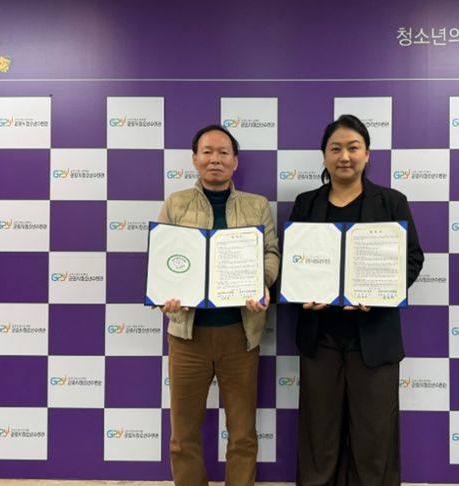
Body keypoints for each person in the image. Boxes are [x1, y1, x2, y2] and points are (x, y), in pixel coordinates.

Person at [289, 114, 424, 486]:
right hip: (320, 335)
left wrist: (382, 295)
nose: (344, 156)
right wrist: (301, 296)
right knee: (319, 433)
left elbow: (413, 258)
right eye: (336, 149)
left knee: (374, 434)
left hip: (374, 335)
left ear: (367, 154)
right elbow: (292, 262)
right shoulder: (306, 204)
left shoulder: (392, 202)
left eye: (353, 147)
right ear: (324, 155)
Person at [158, 124, 280, 486]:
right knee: (182, 436)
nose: (215, 159)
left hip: (240, 336)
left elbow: (271, 253)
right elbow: (163, 260)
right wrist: (166, 292)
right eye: (207, 152)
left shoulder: (257, 205)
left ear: (235, 161)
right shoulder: (176, 203)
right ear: (195, 159)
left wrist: (263, 282)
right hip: (187, 336)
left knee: (242, 434)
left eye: (223, 152)